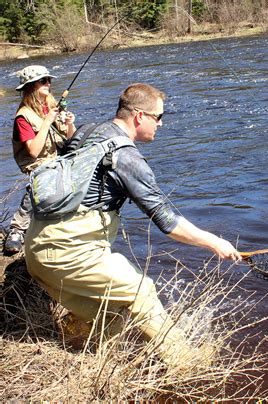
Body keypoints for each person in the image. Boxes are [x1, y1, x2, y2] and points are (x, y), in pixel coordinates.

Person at [24, 83, 241, 364]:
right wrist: (215, 242)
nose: (161, 124)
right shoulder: (127, 157)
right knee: (142, 292)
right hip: (67, 253)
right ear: (140, 116)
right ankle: (186, 364)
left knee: (111, 316)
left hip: (39, 248)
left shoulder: (89, 130)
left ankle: (78, 354)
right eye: (158, 117)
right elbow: (166, 220)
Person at [3, 65, 76, 254]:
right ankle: (17, 230)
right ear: (31, 86)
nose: (48, 84)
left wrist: (69, 124)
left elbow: (71, 139)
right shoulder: (23, 117)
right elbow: (34, 152)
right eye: (43, 81)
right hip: (38, 164)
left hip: (59, 157)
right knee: (43, 176)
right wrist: (47, 122)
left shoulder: (51, 107)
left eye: (49, 80)